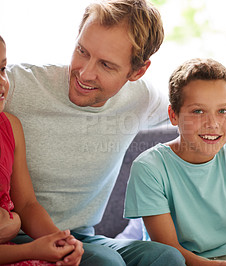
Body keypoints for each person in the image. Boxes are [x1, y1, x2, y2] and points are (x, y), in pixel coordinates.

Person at [4, 0, 185, 265]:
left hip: (85, 237)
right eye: (82, 51)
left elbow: (192, 106)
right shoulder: (18, 86)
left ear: (137, 71)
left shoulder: (141, 97)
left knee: (166, 257)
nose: (85, 73)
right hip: (18, 235)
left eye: (106, 65)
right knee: (106, 263)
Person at [124, 58, 226, 266]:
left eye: (222, 111)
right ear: (174, 115)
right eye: (198, 111)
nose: (212, 124)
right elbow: (168, 247)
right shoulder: (148, 168)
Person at [0, 35, 83, 265]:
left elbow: (26, 204)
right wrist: (31, 250)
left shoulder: (11, 128)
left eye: (2, 68)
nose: (1, 81)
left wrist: (59, 240)